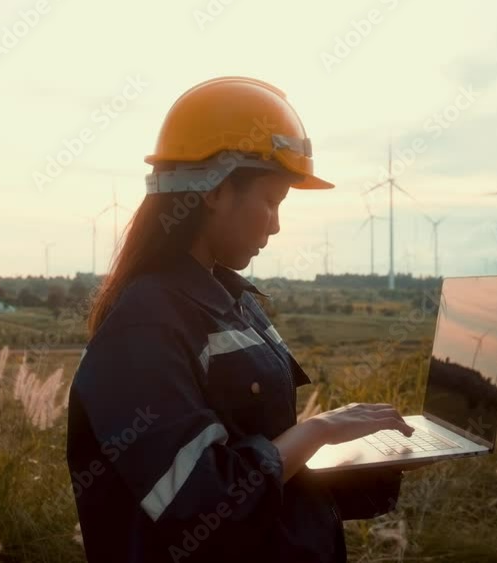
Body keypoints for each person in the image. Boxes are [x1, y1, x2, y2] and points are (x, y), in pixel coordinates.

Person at [66, 76, 431, 563]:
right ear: (216, 190)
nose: (276, 224)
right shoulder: (144, 328)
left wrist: (379, 458)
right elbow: (205, 502)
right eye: (272, 200)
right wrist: (318, 430)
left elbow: (270, 469)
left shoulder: (235, 302)